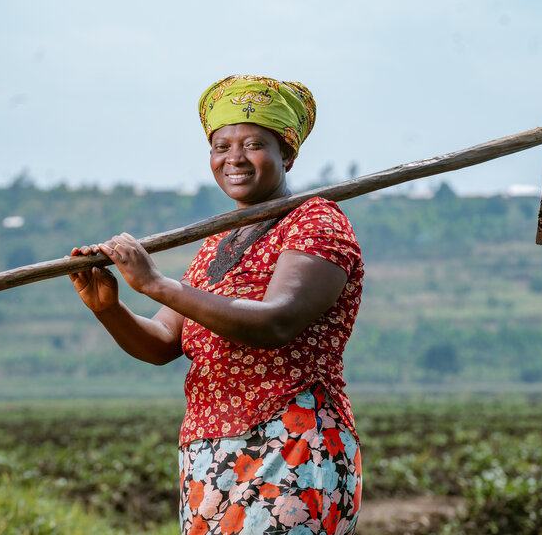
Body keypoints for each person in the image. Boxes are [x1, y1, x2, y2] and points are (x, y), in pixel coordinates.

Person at [69, 74, 364, 535]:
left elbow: (277, 321)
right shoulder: (219, 240)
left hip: (288, 443)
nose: (234, 159)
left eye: (253, 144)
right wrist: (109, 308)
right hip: (208, 454)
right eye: (221, 146)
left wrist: (155, 283)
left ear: (286, 153)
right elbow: (165, 341)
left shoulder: (315, 221)